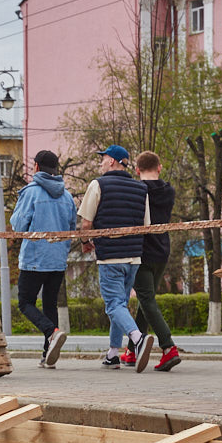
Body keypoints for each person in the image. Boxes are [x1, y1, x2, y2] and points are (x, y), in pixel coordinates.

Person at [78, 144, 154, 372]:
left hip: (110, 257)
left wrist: (84, 242)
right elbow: (145, 226)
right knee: (120, 304)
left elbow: (86, 223)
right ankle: (113, 353)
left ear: (113, 161)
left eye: (103, 158)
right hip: (133, 257)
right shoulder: (141, 189)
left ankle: (137, 338)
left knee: (112, 306)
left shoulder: (97, 184)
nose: (100, 162)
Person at [9, 150, 76, 369]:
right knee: (50, 305)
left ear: (36, 167)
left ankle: (51, 332)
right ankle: (48, 355)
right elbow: (71, 228)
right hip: (58, 259)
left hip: (34, 257)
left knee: (25, 302)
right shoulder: (67, 196)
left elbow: (18, 226)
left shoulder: (31, 193)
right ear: (56, 169)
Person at [120, 151, 182, 372]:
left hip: (141, 251)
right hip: (162, 251)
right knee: (147, 300)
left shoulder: (136, 190)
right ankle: (131, 351)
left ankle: (168, 347)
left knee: (146, 300)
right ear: (160, 167)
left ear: (137, 170)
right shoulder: (169, 191)